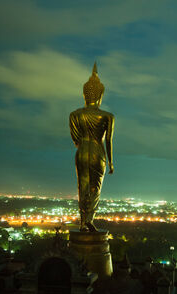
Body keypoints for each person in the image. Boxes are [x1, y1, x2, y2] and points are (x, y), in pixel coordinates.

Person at [69, 62, 114, 232]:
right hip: (98, 152)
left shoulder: (75, 115)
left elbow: (75, 138)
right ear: (100, 95)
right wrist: (111, 162)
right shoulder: (107, 116)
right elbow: (108, 140)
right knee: (95, 187)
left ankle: (82, 222)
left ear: (85, 94)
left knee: (83, 186)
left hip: (81, 152)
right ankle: (89, 219)